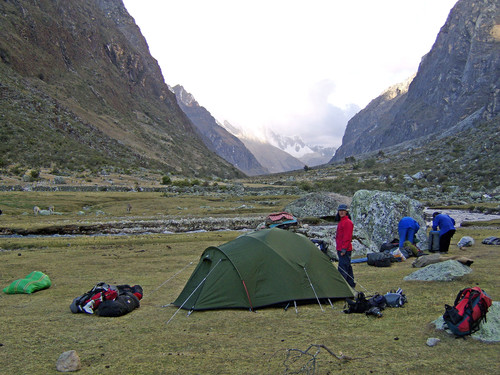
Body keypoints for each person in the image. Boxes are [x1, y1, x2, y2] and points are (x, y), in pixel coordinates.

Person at [335, 204, 355, 288]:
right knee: (347, 267)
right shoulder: (342, 221)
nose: (341, 212)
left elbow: (347, 237)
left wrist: (344, 249)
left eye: (343, 210)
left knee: (342, 268)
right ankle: (351, 284)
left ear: (346, 212)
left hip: (344, 250)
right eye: (340, 210)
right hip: (340, 248)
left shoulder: (347, 222)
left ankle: (343, 287)